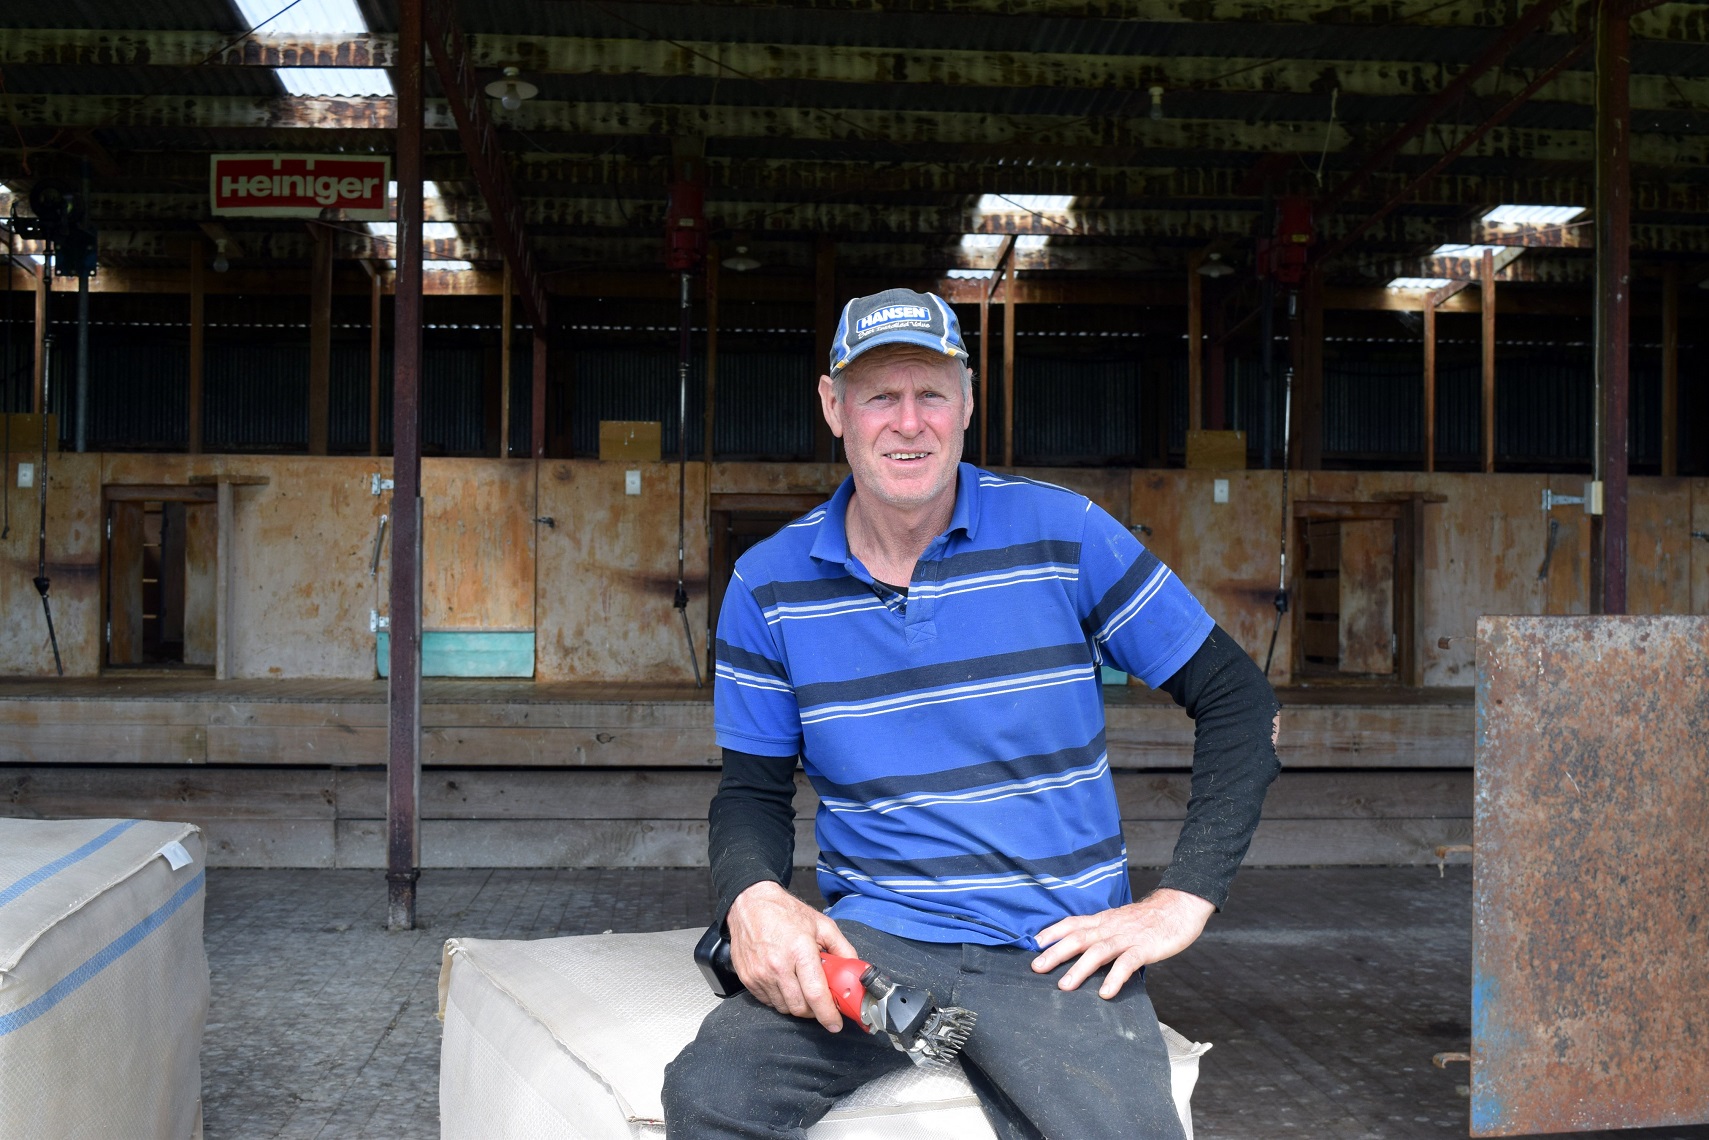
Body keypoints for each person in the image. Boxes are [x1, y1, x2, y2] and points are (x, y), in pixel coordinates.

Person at [663, 288, 1280, 1139]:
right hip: (877, 944)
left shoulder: (1064, 535)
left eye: (931, 394)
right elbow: (751, 791)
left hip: (1056, 948)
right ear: (833, 407)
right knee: (710, 1092)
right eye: (880, 395)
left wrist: (1184, 898)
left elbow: (1237, 699)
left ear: (966, 404)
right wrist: (752, 894)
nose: (907, 423)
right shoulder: (768, 586)